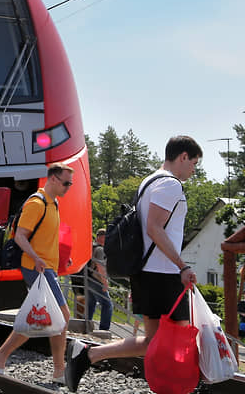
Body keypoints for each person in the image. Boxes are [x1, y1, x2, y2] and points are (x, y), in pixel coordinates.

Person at [65, 136, 202, 392]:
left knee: (153, 340)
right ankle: (175, 386)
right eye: (194, 163)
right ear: (183, 156)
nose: (194, 170)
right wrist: (182, 265)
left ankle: (87, 355)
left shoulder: (149, 181)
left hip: (149, 273)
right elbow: (154, 228)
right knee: (180, 337)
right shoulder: (170, 185)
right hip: (163, 274)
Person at [0, 162, 75, 383]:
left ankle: (0, 358)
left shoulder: (53, 203)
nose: (68, 187)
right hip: (36, 268)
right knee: (60, 316)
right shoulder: (37, 203)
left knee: (45, 319)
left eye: (70, 184)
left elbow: (48, 237)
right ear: (52, 179)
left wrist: (61, 258)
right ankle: (59, 371)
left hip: (47, 267)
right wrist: (36, 258)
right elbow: (20, 236)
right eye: (66, 183)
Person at [85, 230, 113, 332]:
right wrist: (105, 283)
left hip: (88, 278)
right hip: (96, 280)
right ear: (102, 237)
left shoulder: (91, 247)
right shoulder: (100, 249)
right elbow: (100, 266)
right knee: (107, 304)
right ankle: (104, 330)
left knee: (91, 304)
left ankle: (86, 327)